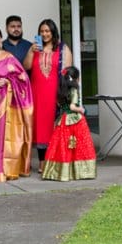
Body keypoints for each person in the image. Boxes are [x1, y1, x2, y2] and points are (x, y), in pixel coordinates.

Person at [0, 26, 34, 182]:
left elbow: (22, 79)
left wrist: (9, 82)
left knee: (0, 136)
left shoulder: (8, 57)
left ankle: (1, 170)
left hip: (5, 104)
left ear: (0, 39)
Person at [23, 18, 73, 174]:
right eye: (42, 31)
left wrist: (65, 94)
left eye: (47, 31)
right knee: (40, 127)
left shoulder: (62, 49)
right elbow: (26, 67)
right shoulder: (35, 49)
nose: (44, 34)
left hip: (55, 93)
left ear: (53, 32)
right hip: (37, 92)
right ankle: (43, 162)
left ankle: (55, 160)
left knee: (55, 126)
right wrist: (31, 51)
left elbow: (68, 72)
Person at [42, 67, 97, 181]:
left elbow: (60, 105)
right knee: (79, 146)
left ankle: (61, 172)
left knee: (63, 147)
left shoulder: (60, 90)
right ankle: (80, 172)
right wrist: (81, 109)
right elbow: (72, 106)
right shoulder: (74, 89)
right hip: (75, 120)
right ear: (76, 78)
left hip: (63, 119)